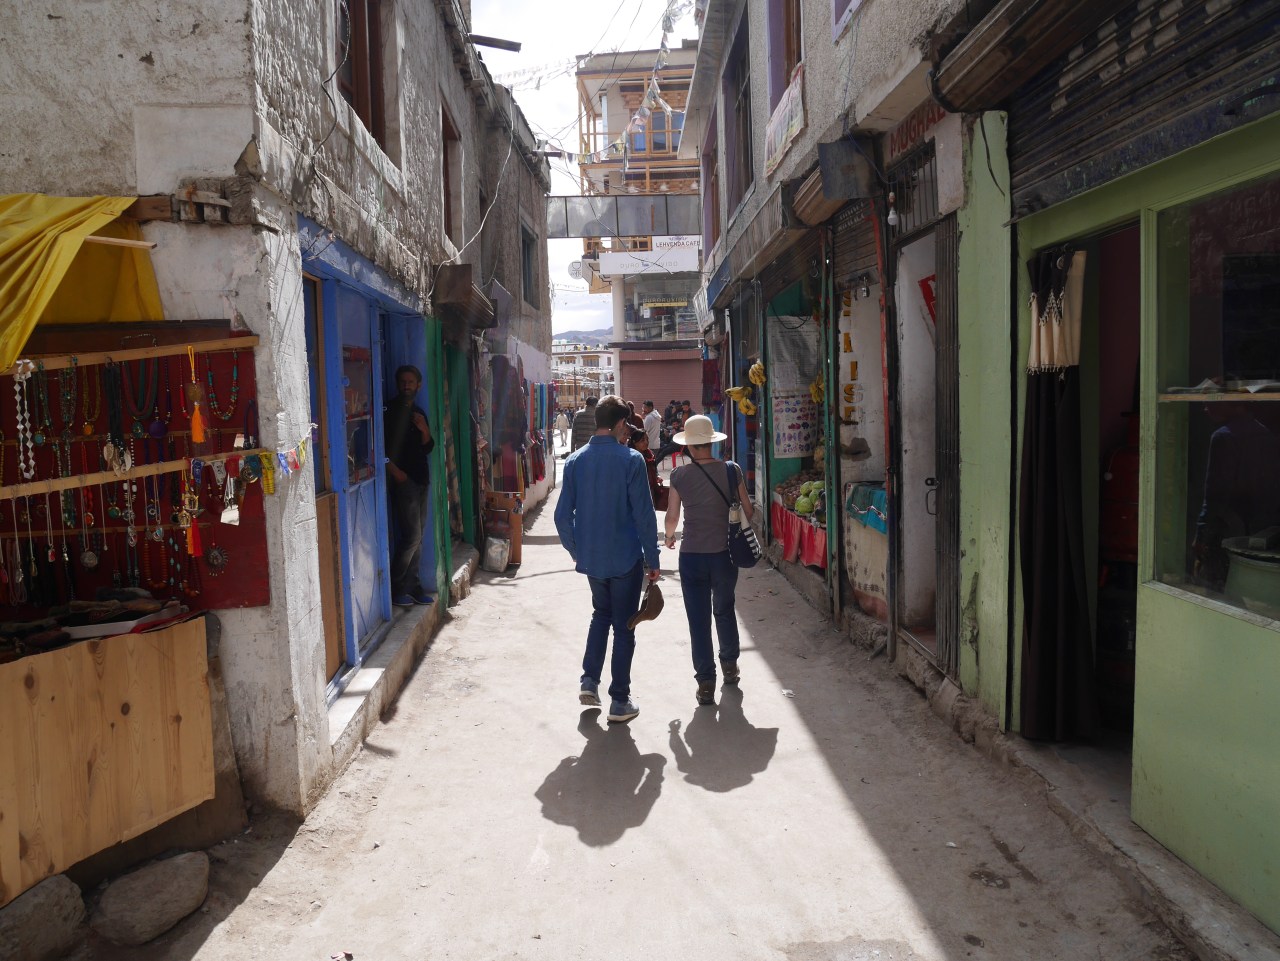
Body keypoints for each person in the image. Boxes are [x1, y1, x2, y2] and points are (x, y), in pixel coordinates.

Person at [555, 396, 661, 723]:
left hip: (594, 561)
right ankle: (620, 701)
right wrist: (653, 559)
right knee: (625, 626)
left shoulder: (575, 461)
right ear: (618, 424)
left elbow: (561, 517)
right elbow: (644, 515)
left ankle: (589, 681)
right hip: (626, 558)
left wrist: (578, 550)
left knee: (601, 615)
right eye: (625, 424)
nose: (627, 430)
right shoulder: (631, 460)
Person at [664, 414, 753, 706]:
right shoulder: (731, 470)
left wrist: (669, 537)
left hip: (691, 557)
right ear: (712, 442)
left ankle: (705, 684)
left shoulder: (679, 475)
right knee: (725, 610)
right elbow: (748, 511)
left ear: (689, 446)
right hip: (725, 554)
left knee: (698, 620)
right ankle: (730, 666)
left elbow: (672, 517)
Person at [385, 365, 436, 606]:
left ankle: (413, 587)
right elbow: (381, 449)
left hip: (421, 480)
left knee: (419, 537)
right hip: (404, 483)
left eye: (411, 382)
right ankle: (396, 588)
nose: (407, 385)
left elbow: (428, 447)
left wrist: (424, 430)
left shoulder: (418, 412)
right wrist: (398, 475)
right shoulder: (389, 411)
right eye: (403, 382)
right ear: (398, 384)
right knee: (412, 537)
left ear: (419, 385)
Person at [628, 427, 664, 508]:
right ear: (634, 442)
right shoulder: (631, 457)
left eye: (647, 439)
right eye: (642, 440)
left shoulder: (650, 455)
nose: (646, 442)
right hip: (637, 492)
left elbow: (654, 469)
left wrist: (657, 476)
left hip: (651, 490)